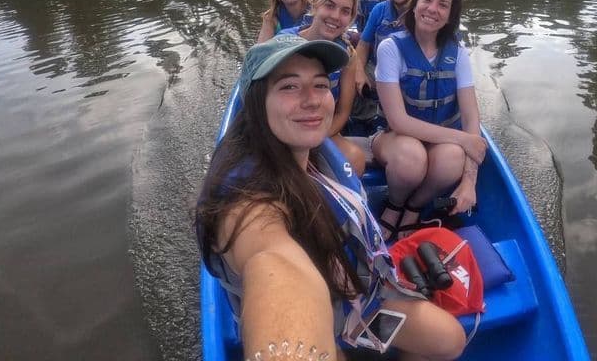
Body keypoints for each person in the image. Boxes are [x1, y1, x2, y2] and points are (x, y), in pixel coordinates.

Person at [195, 35, 466, 360]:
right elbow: (274, 263)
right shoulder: (247, 201)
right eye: (289, 87)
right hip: (326, 310)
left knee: (449, 341)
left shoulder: (310, 149)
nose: (311, 100)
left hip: (360, 298)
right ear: (256, 101)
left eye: (321, 85)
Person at [372, 0, 487, 241]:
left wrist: (469, 181)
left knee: (454, 158)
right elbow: (399, 122)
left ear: (450, 15)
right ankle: (395, 204)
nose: (432, 9)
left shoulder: (457, 54)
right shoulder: (391, 48)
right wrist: (464, 139)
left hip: (439, 143)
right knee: (412, 158)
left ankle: (413, 208)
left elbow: (471, 118)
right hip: (396, 139)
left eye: (443, 5)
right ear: (415, 3)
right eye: (427, 0)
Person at [277, 0, 367, 176]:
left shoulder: (348, 56)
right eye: (330, 5)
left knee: (356, 160)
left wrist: (314, 139)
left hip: (321, 128)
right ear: (316, 5)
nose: (335, 16)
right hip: (285, 125)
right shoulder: (284, 44)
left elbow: (343, 113)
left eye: (345, 11)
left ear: (351, 19)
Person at [352, 0, 417, 120]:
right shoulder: (379, 10)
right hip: (378, 69)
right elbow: (364, 44)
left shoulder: (422, 11)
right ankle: (367, 119)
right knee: (349, 80)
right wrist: (359, 72)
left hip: (411, 73)